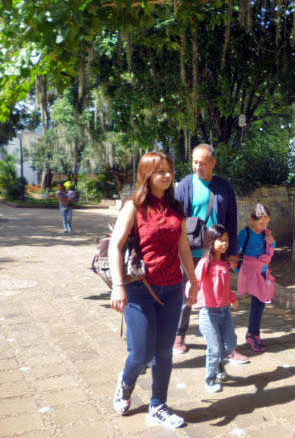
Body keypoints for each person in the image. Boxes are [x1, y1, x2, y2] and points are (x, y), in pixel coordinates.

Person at [109, 151, 198, 429]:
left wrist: (193, 281)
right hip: (140, 288)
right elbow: (116, 245)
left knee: (164, 352)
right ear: (147, 174)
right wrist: (118, 286)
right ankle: (126, 383)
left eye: (169, 170)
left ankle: (158, 405)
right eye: (160, 171)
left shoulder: (176, 207)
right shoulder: (134, 206)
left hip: (172, 288)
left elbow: (183, 247)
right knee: (141, 353)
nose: (168, 175)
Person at [174, 144, 247, 364]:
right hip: (190, 251)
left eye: (203, 163)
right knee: (187, 295)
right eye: (195, 162)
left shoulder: (224, 187)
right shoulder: (186, 185)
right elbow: (176, 220)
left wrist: (232, 251)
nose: (198, 167)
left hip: (217, 253)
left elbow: (232, 220)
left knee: (221, 297)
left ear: (213, 163)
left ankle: (227, 346)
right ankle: (179, 335)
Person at [194, 225, 240, 393]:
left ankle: (219, 364)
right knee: (214, 348)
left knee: (231, 343)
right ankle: (210, 378)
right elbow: (194, 282)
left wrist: (233, 299)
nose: (224, 243)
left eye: (226, 240)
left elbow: (226, 287)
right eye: (221, 240)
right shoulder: (205, 263)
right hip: (208, 312)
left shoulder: (225, 263)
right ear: (211, 241)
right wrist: (191, 296)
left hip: (224, 311)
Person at [237, 203, 276, 352]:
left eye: (266, 223)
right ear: (252, 219)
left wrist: (272, 241)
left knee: (259, 304)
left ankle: (253, 334)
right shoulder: (245, 232)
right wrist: (241, 270)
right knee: (258, 303)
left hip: (262, 272)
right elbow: (237, 251)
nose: (264, 226)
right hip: (251, 273)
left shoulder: (266, 234)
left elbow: (271, 248)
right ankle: (253, 335)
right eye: (261, 223)